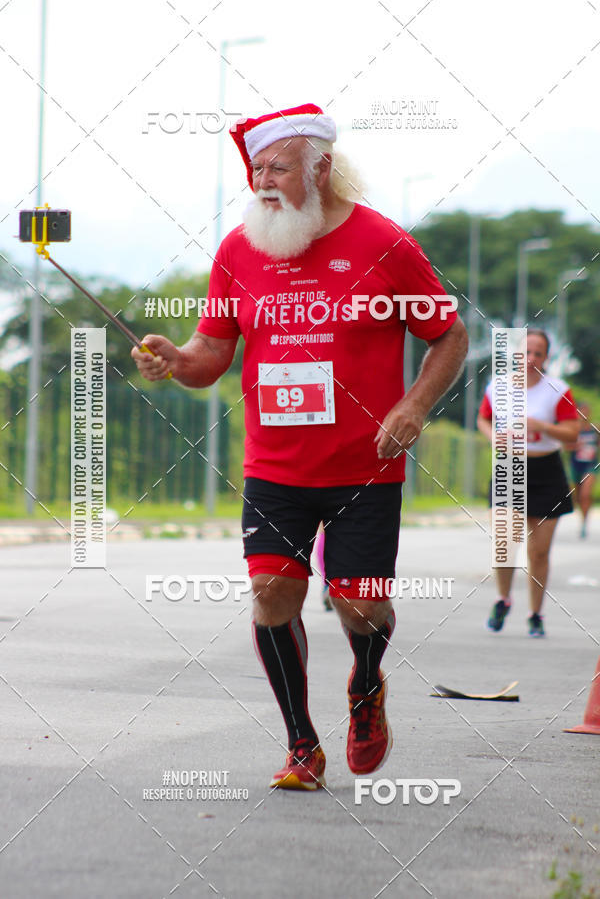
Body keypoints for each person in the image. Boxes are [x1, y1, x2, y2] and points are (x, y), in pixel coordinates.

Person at [132, 103, 468, 790]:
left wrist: (412, 405)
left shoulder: (385, 243)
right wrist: (174, 357)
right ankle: (301, 744)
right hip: (275, 466)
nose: (262, 180)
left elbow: (448, 335)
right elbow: (209, 357)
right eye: (256, 168)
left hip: (364, 467)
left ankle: (366, 687)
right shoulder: (237, 250)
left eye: (276, 166)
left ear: (321, 167)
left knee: (361, 603)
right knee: (271, 591)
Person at [477, 329, 579, 637]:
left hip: (546, 470)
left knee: (539, 551)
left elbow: (573, 433)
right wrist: (494, 437)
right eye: (526, 352)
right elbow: (484, 418)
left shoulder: (558, 389)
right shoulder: (499, 386)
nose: (531, 358)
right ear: (516, 354)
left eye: (538, 353)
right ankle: (503, 598)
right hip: (510, 467)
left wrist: (542, 426)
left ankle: (535, 614)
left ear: (546, 357)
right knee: (504, 541)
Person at [566, 402, 598, 538]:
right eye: (581, 411)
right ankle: (582, 518)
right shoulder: (572, 429)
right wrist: (575, 445)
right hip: (575, 465)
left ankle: (584, 524)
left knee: (585, 494)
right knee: (578, 497)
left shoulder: (594, 428)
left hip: (590, 465)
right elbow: (564, 446)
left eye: (586, 410)